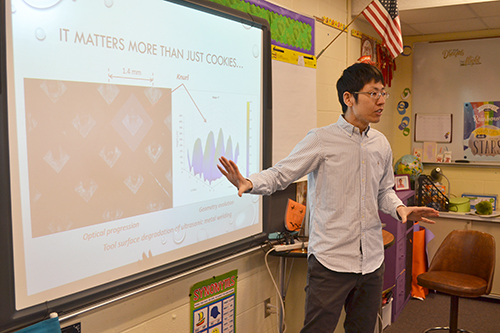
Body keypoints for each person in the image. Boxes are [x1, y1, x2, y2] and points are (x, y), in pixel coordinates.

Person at [217, 62, 439, 333]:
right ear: (349, 98)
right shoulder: (321, 140)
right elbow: (281, 174)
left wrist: (399, 209)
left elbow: (384, 192)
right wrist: (249, 182)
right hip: (330, 263)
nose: (381, 100)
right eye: (373, 93)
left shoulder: (380, 144)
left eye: (383, 93)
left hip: (370, 263)